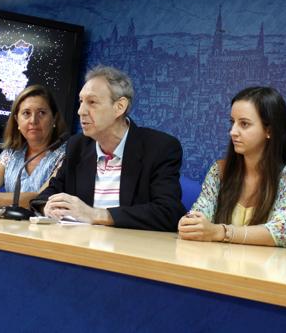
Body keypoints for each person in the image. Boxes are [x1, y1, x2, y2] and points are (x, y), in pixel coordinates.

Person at [36, 65, 186, 231]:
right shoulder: (77, 146)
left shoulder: (159, 147)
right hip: (79, 247)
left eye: (92, 102)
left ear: (119, 107)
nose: (80, 111)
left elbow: (168, 213)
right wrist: (47, 207)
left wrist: (96, 215)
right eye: (81, 101)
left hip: (132, 249)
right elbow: (47, 195)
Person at [178, 87, 286, 247]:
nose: (233, 132)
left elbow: (284, 232)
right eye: (232, 122)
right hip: (218, 265)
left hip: (268, 269)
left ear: (269, 130)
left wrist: (221, 232)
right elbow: (200, 213)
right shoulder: (220, 170)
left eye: (244, 124)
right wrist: (191, 224)